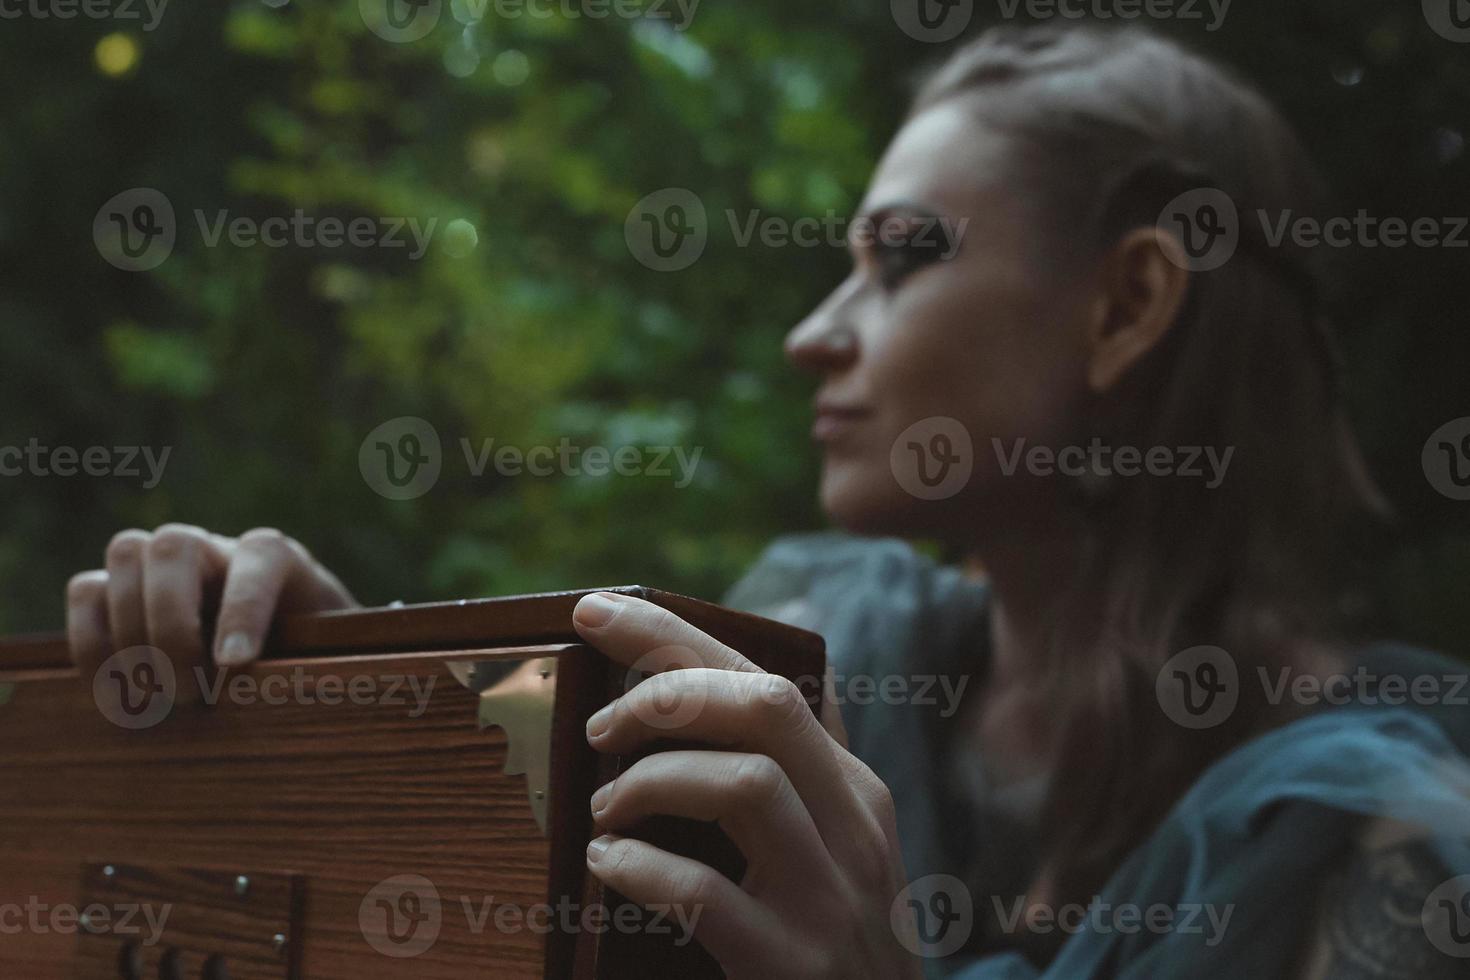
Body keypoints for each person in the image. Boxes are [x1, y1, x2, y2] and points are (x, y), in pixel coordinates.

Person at [63, 25, 1470, 979]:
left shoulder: (1388, 829)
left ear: (1126, 304)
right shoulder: (834, 652)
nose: (815, 334)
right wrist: (355, 703)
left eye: (900, 258)